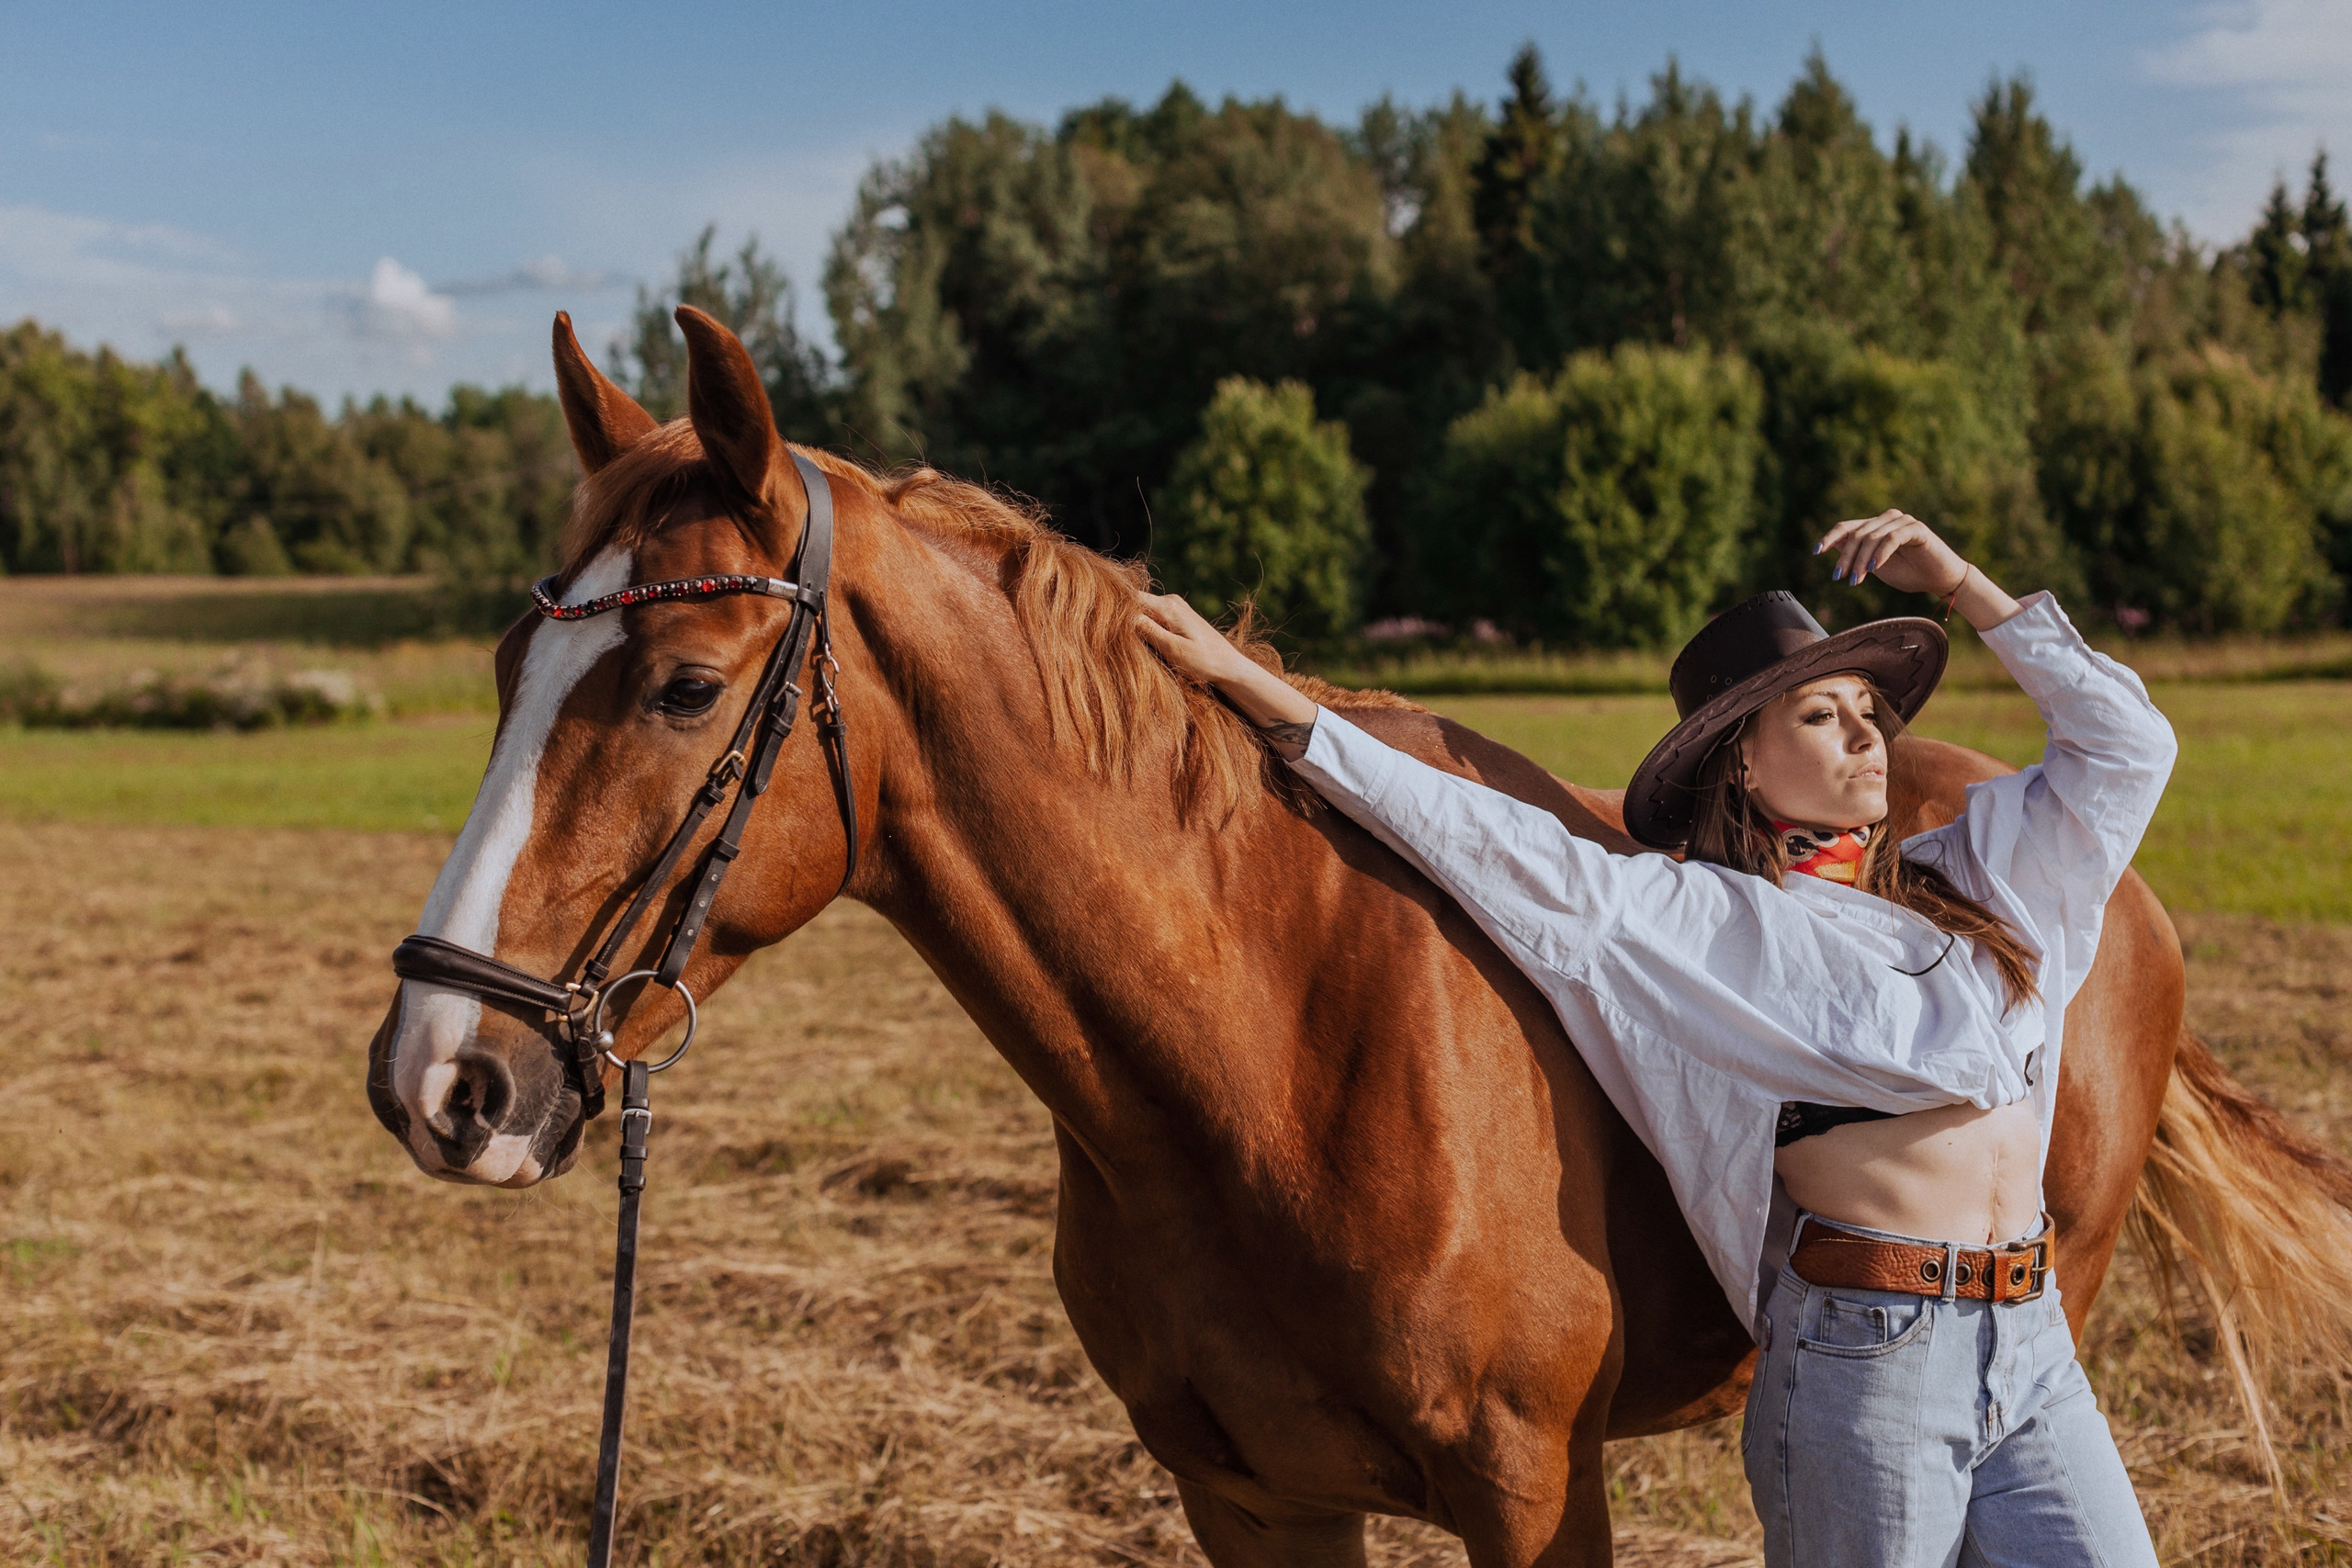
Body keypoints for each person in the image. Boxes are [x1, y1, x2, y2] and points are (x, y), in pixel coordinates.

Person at [1135, 509, 2175, 1567]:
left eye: (1870, 709)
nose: (1868, 734)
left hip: (2029, 1339)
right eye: (1821, 714)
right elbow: (1495, 845)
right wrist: (1267, 698)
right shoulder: (1706, 929)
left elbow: (2127, 747)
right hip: (1874, 1361)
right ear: (1746, 768)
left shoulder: (1975, 877)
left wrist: (1959, 582)